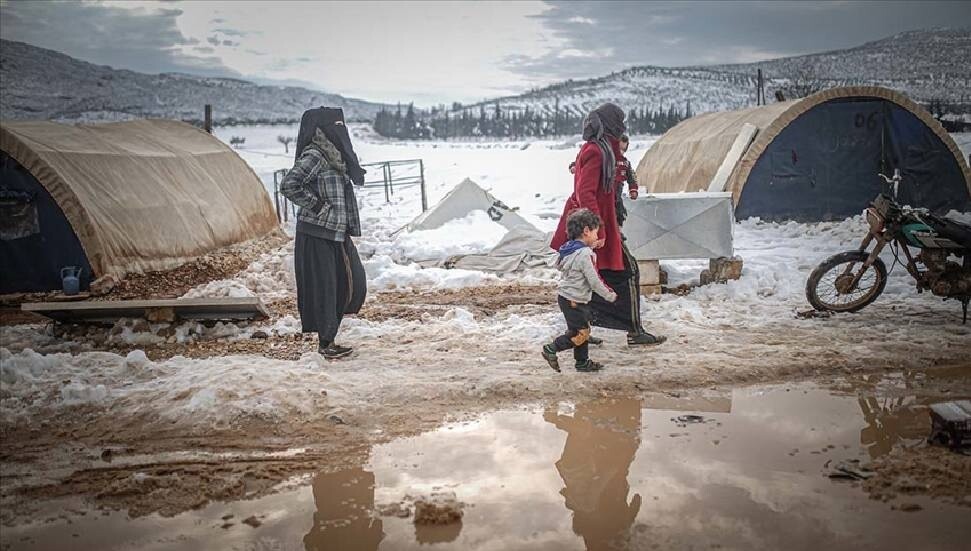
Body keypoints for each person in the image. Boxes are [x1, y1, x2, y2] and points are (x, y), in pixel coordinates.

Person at [551, 103, 665, 347]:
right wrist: (597, 229)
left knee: (592, 274)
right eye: (619, 122)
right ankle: (634, 332)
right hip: (591, 225)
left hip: (593, 222)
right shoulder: (597, 152)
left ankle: (582, 328)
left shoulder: (602, 150)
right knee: (628, 271)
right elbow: (585, 192)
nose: (622, 127)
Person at [280, 107, 367, 359]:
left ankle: (329, 338)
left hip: (337, 232)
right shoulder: (316, 155)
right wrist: (318, 206)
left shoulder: (336, 157)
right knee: (327, 289)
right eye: (336, 125)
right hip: (318, 232)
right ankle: (326, 342)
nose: (341, 129)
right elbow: (289, 185)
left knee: (350, 284)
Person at [542, 208, 617, 373]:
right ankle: (551, 348)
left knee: (581, 329)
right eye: (596, 233)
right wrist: (609, 295)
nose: (597, 237)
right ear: (586, 231)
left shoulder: (569, 249)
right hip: (574, 300)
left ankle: (582, 362)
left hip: (567, 298)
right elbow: (594, 279)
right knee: (581, 333)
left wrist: (589, 247)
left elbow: (576, 260)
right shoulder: (584, 254)